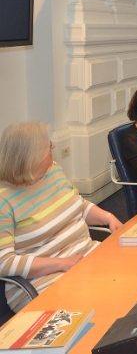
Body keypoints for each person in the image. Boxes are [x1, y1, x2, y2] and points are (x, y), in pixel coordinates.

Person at [0, 122, 123, 312]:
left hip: (86, 257)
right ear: (31, 156)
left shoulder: (54, 171)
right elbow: (5, 262)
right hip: (43, 281)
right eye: (48, 145)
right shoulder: (4, 199)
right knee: (106, 307)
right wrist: (62, 264)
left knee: (136, 277)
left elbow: (78, 205)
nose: (53, 146)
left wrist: (108, 218)